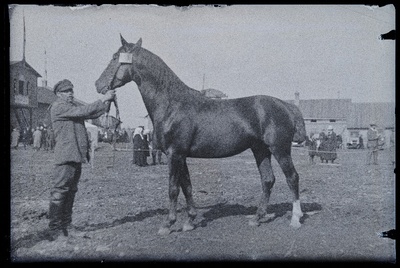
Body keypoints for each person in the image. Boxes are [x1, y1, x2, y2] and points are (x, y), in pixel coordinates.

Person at [44, 79, 115, 241]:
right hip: (65, 156)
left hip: (76, 155)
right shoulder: (58, 107)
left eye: (71, 91)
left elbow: (91, 113)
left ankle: (67, 226)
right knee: (60, 192)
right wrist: (103, 99)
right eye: (66, 91)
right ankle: (54, 229)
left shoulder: (72, 108)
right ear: (58, 94)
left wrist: (107, 103)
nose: (70, 93)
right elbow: (85, 110)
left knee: (70, 192)